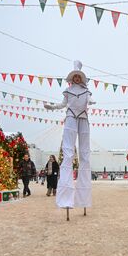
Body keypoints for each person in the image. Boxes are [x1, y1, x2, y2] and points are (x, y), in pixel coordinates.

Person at [44, 61, 95, 210]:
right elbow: (62, 104)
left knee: (85, 153)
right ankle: (66, 198)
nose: (77, 79)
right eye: (75, 77)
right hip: (71, 116)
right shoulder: (68, 91)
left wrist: (91, 101)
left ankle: (83, 199)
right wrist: (53, 107)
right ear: (72, 79)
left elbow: (88, 99)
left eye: (79, 77)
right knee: (68, 153)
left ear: (81, 79)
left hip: (83, 117)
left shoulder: (86, 91)